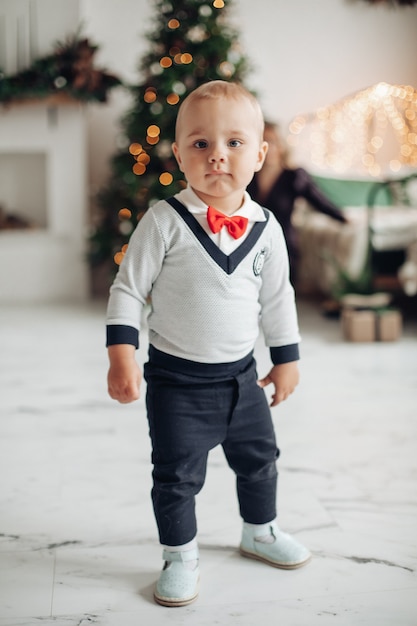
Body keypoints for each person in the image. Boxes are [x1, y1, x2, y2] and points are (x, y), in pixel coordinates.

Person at [106, 81, 311, 608]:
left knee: (261, 458)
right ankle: (179, 554)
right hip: (177, 383)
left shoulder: (266, 228)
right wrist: (122, 355)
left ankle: (259, 530)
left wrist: (285, 358)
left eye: (235, 143)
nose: (217, 154)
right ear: (178, 154)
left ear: (261, 154)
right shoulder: (164, 221)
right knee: (176, 476)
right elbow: (128, 290)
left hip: (242, 379)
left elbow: (277, 298)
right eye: (200, 144)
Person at [248, 121, 348, 285]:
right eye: (262, 140)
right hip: (251, 244)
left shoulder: (294, 176)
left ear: (281, 145)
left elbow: (319, 200)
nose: (267, 146)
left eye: (272, 140)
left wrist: (343, 217)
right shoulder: (247, 177)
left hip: (283, 244)